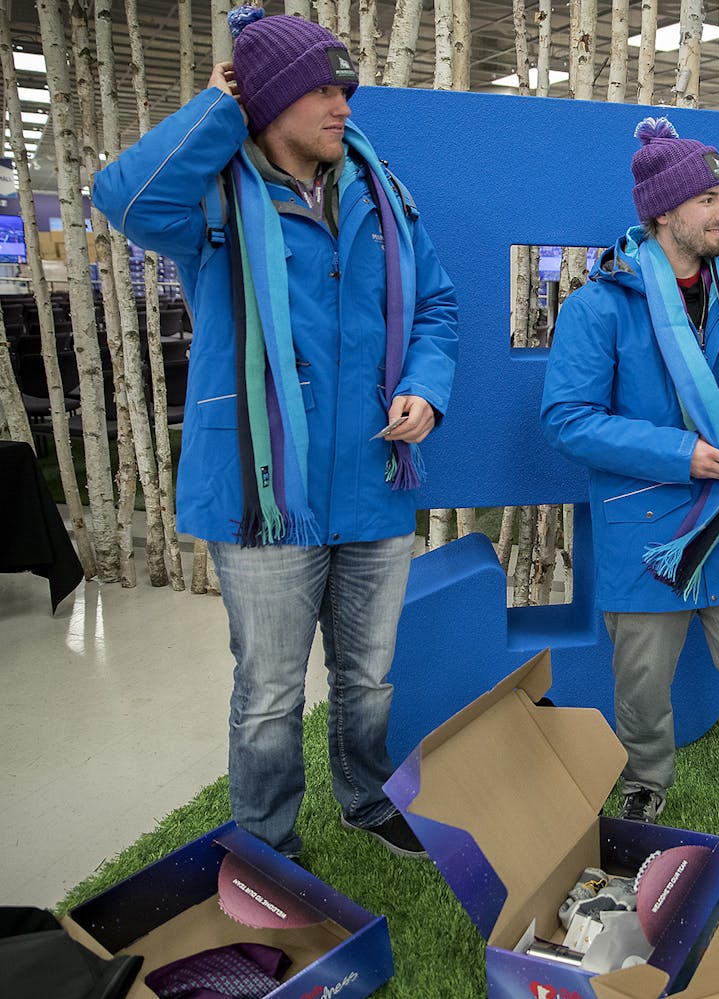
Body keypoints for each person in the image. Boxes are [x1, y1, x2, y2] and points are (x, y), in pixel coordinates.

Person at [92, 7, 458, 860]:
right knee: (268, 692)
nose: (343, 105)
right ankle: (265, 840)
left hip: (374, 481)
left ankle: (366, 802)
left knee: (367, 680)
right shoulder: (212, 198)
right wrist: (224, 101)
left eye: (346, 88)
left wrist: (425, 387)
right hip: (266, 494)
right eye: (322, 88)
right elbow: (125, 199)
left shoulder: (382, 192)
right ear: (268, 100)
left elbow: (436, 305)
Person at [541, 117, 719, 845]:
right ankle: (644, 781)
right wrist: (680, 454)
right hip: (648, 530)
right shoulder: (598, 304)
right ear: (664, 212)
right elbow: (568, 420)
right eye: (709, 199)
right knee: (641, 681)